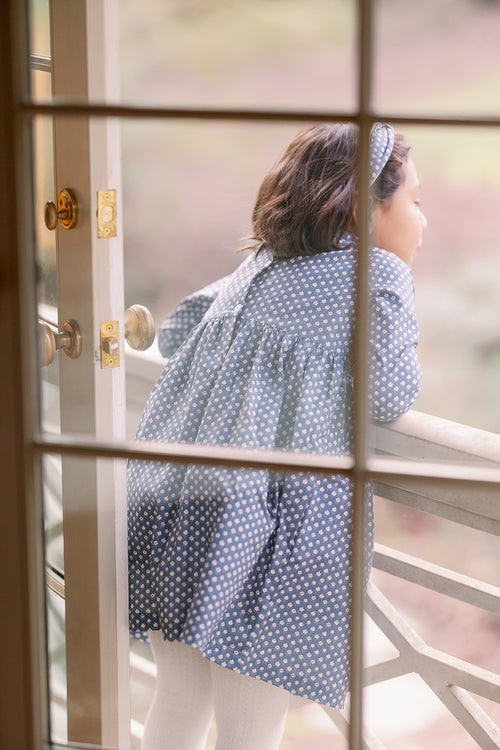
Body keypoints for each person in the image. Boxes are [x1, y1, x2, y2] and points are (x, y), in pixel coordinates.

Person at [127, 122, 427, 750]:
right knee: (250, 730)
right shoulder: (376, 278)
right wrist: (395, 275)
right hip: (269, 535)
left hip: (175, 504)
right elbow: (390, 393)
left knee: (179, 700)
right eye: (415, 203)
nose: (423, 221)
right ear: (365, 210)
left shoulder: (263, 261)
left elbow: (180, 329)